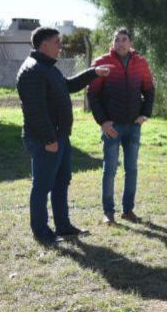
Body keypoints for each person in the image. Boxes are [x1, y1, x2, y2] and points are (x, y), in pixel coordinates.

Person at [17, 26, 112, 245]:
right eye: (57, 42)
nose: (61, 46)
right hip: (46, 140)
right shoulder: (33, 70)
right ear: (44, 45)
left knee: (61, 182)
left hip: (60, 137)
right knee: (42, 186)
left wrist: (93, 72)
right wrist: (49, 139)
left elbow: (67, 86)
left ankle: (64, 226)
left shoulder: (48, 68)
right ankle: (41, 232)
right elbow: (35, 110)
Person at [87, 28, 155, 225]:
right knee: (110, 170)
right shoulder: (101, 63)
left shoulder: (140, 63)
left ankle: (128, 210)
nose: (120, 43)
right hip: (112, 126)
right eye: (117, 40)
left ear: (130, 42)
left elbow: (149, 89)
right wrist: (103, 121)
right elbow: (93, 94)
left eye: (124, 40)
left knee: (131, 169)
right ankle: (108, 213)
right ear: (112, 43)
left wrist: (145, 114)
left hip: (134, 125)